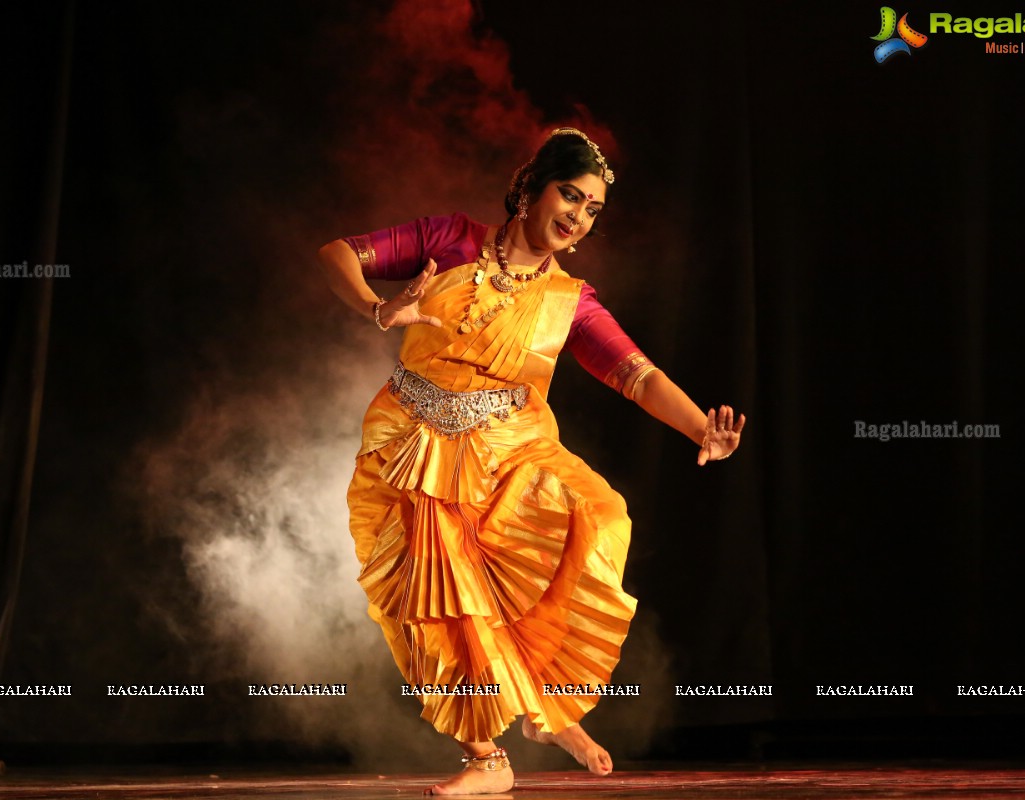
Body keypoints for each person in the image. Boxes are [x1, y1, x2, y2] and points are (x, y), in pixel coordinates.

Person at [318, 128, 745, 795]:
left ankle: (545, 706)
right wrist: (380, 309)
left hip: (509, 450)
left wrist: (701, 429)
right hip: (415, 448)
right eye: (570, 195)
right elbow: (339, 252)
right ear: (529, 190)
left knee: (599, 517)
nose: (578, 215)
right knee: (446, 599)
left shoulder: (570, 300)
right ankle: (487, 758)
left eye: (592, 208)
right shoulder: (448, 239)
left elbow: (635, 373)